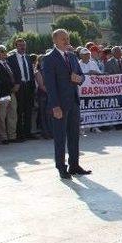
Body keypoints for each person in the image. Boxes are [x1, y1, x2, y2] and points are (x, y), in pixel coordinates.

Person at [43, 29, 91, 179]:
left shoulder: (71, 56)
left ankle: (74, 165)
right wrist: (55, 106)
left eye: (67, 38)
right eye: (63, 38)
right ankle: (61, 167)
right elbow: (50, 85)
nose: (66, 40)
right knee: (60, 137)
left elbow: (81, 76)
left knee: (74, 135)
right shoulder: (49, 58)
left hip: (74, 102)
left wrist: (80, 79)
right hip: (60, 105)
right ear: (55, 40)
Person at [7, 38, 36, 141]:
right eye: (20, 45)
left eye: (23, 45)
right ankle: (19, 134)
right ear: (16, 46)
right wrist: (15, 84)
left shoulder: (28, 57)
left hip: (29, 86)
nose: (22, 47)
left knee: (28, 110)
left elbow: (31, 72)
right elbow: (10, 75)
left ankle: (28, 133)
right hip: (19, 87)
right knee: (19, 111)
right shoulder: (11, 59)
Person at [0, 45, 18, 144]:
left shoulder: (8, 63)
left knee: (13, 114)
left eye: (5, 51)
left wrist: (16, 85)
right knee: (2, 116)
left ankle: (12, 136)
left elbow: (13, 75)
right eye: (2, 51)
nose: (4, 53)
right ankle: (4, 137)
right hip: (3, 93)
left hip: (12, 92)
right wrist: (11, 86)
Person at [34, 55, 52, 140]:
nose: (44, 62)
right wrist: (52, 93)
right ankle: (46, 133)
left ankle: (52, 132)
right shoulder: (38, 72)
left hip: (51, 95)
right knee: (45, 114)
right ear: (39, 62)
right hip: (43, 95)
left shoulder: (50, 71)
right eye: (42, 61)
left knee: (51, 114)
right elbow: (41, 86)